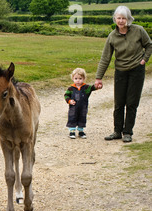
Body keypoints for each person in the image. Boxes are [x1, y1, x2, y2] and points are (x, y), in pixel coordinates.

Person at [95, 6, 152, 143]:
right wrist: (98, 77)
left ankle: (128, 132)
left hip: (136, 70)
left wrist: (144, 60)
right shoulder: (112, 36)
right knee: (119, 102)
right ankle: (117, 131)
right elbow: (105, 58)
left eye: (124, 18)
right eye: (118, 18)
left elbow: (149, 45)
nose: (121, 21)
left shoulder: (138, 30)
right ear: (115, 19)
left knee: (132, 102)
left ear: (128, 19)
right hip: (120, 71)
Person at [64, 68, 97, 139]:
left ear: (84, 79)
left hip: (83, 107)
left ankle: (81, 131)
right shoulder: (71, 88)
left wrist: (98, 86)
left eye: (80, 78)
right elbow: (66, 95)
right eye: (76, 78)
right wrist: (69, 101)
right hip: (73, 107)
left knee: (82, 117)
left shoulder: (86, 87)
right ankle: (72, 131)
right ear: (73, 78)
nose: (78, 80)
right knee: (72, 117)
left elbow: (93, 87)